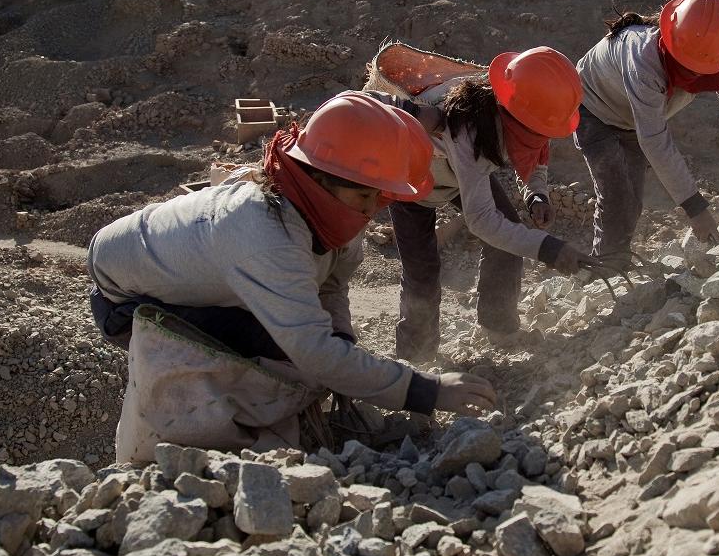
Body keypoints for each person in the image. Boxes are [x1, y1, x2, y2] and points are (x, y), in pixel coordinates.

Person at [87, 91, 496, 462]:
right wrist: (429, 391)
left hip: (194, 274)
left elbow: (332, 286)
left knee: (312, 351)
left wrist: (344, 344)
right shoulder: (263, 231)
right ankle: (193, 452)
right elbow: (313, 350)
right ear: (318, 178)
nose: (371, 211)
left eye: (380, 198)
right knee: (282, 358)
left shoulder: (332, 212)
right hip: (125, 298)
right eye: (364, 196)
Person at [370, 46, 599, 362]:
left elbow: (536, 157)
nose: (542, 135)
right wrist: (549, 250)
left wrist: (537, 194)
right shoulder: (470, 125)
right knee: (422, 271)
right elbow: (482, 222)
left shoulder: (526, 105)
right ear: (516, 115)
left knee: (508, 240)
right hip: (413, 178)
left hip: (457, 174)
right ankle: (415, 358)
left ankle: (499, 326)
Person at [574, 0, 719, 265]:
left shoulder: (715, 57)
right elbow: (654, 139)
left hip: (632, 117)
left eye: (702, 67)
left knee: (632, 199)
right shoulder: (643, 58)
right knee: (616, 194)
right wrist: (696, 209)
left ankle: (614, 258)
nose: (697, 73)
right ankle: (605, 268)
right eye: (690, 66)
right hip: (594, 108)